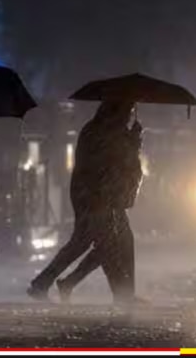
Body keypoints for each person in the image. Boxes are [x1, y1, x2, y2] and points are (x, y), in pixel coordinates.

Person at [27, 100, 145, 304]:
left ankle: (53, 283)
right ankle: (122, 294)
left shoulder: (108, 131)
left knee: (110, 241)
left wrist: (130, 141)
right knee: (103, 242)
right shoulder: (100, 132)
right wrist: (132, 144)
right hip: (95, 196)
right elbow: (115, 163)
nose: (129, 117)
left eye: (131, 112)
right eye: (127, 112)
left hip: (104, 195)